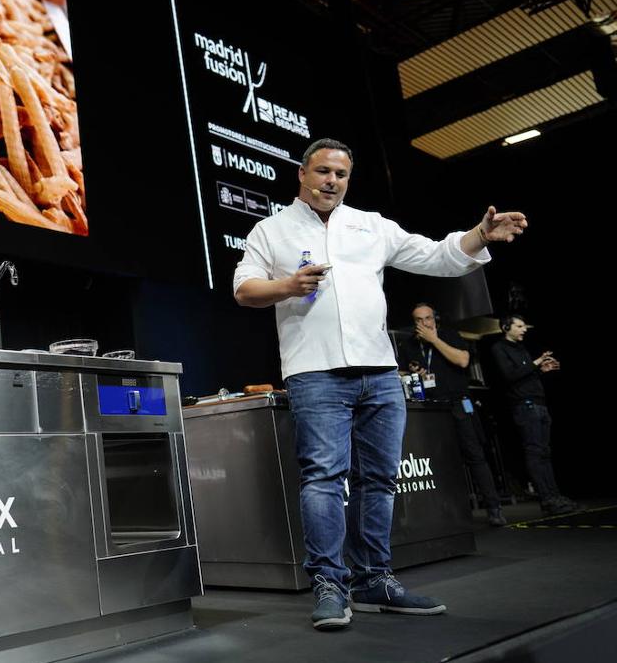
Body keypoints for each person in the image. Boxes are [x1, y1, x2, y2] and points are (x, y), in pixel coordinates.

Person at [233, 138, 527, 631]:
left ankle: (373, 580)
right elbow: (244, 289)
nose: (332, 181)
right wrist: (287, 285)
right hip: (315, 371)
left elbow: (436, 256)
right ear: (302, 174)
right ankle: (330, 584)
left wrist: (481, 234)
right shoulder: (271, 229)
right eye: (323, 171)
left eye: (341, 174)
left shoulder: (371, 225)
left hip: (380, 372)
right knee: (324, 478)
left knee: (379, 480)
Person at [398, 303, 505, 526]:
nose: (424, 323)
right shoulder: (409, 344)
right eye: (419, 320)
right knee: (439, 459)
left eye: (428, 318)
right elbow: (401, 371)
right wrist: (413, 373)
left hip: (457, 404)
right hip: (430, 408)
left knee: (474, 455)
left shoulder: (449, 335)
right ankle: (447, 510)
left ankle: (493, 507)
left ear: (435, 319)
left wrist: (434, 340)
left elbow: (462, 360)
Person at [490, 315, 576, 515]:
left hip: (539, 403)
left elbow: (525, 375)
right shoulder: (499, 348)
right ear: (506, 327)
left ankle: (555, 496)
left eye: (524, 326)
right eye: (519, 326)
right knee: (535, 452)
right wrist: (536, 362)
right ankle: (547, 499)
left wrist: (541, 370)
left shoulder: (521, 348)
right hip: (525, 406)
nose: (524, 329)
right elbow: (510, 375)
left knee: (545, 452)